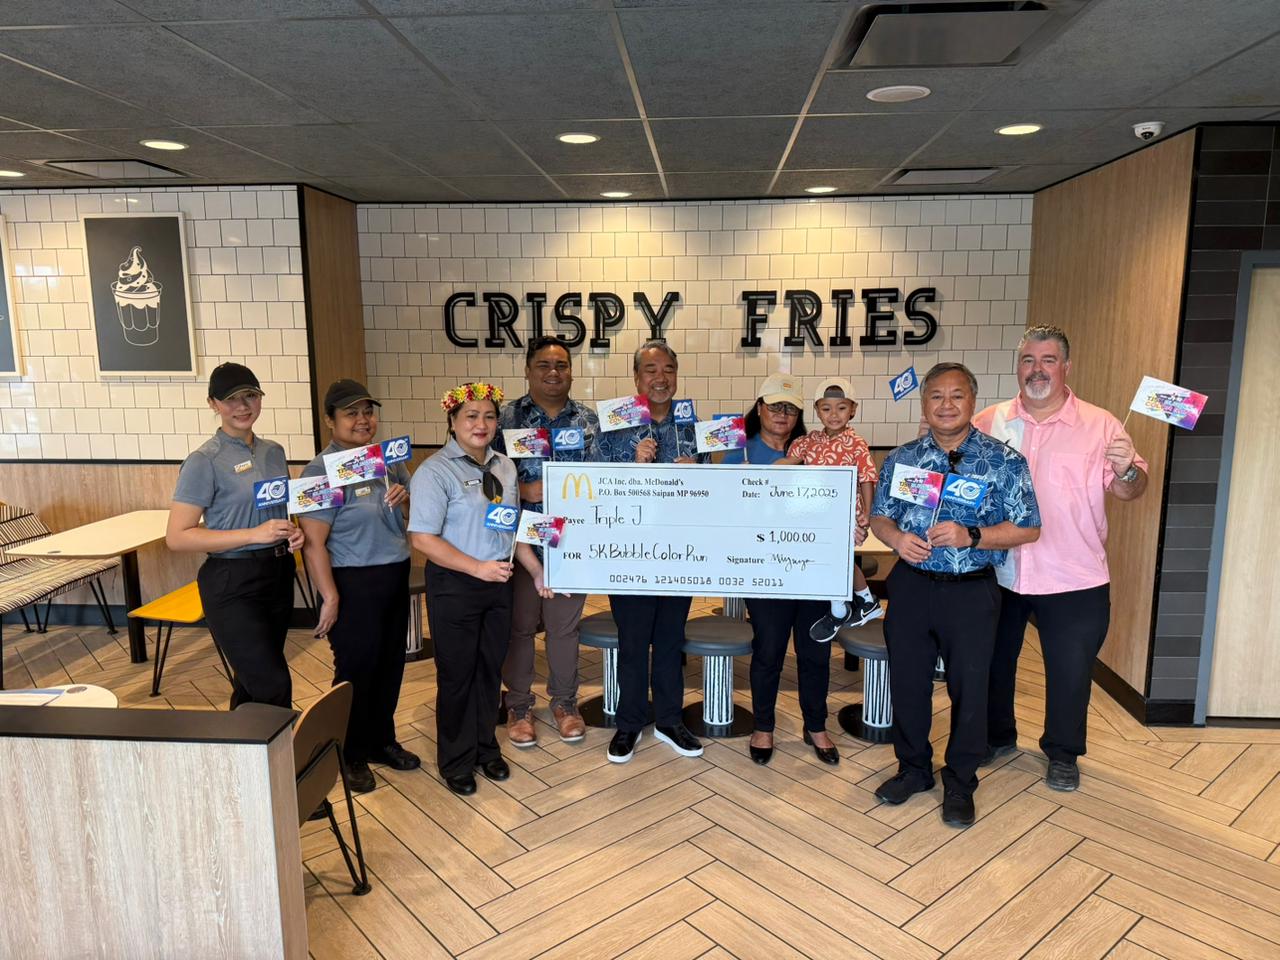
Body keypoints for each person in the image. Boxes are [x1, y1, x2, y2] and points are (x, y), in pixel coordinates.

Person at [974, 325, 1148, 792]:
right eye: (1029, 360)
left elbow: (1131, 491)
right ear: (1018, 367)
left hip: (1074, 575)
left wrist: (1127, 469)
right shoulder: (988, 422)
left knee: (1071, 672)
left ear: (1066, 367)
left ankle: (1063, 752)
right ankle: (996, 736)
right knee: (992, 661)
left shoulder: (1103, 425)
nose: (1037, 370)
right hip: (1000, 571)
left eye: (1048, 360)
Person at [870, 362, 1040, 827]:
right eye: (937, 396)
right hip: (911, 586)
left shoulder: (1004, 462)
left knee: (971, 688)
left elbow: (1029, 527)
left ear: (972, 401)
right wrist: (895, 539)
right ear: (924, 403)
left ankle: (961, 780)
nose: (946, 405)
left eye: (957, 395)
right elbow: (880, 516)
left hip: (971, 592)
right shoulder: (903, 459)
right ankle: (913, 769)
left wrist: (973, 536)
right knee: (908, 683)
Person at [408, 382, 554, 796]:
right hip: (456, 583)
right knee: (457, 674)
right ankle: (456, 759)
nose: (481, 424)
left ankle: (486, 747)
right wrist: (476, 568)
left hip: (498, 581)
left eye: (489, 416)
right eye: (471, 416)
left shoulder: (505, 467)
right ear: (452, 421)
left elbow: (513, 530)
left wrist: (535, 570)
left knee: (490, 670)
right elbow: (422, 538)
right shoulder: (435, 472)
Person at [299, 379, 416, 795]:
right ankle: (347, 751)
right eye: (351, 413)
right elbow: (312, 543)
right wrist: (330, 596)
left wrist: (404, 498)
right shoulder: (318, 472)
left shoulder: (387, 460)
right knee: (355, 668)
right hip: (352, 580)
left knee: (389, 663)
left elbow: (408, 516)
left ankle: (381, 739)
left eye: (368, 411)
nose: (363, 419)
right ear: (330, 420)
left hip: (394, 572)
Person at [167, 362, 302, 709]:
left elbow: (278, 511)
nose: (243, 406)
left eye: (250, 396)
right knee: (272, 683)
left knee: (251, 681)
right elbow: (178, 537)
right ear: (213, 404)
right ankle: (281, 745)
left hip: (278, 573)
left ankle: (242, 741)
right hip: (232, 581)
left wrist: (293, 532)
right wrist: (253, 535)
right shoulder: (204, 460)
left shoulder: (274, 452)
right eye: (231, 399)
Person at [596, 340, 706, 764]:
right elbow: (594, 486)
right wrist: (632, 465)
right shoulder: (615, 426)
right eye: (650, 370)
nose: (660, 378)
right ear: (636, 377)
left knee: (670, 639)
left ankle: (669, 720)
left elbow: (719, 490)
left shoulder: (693, 428)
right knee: (633, 640)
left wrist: (701, 472)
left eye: (668, 370)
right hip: (629, 552)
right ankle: (629, 722)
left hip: (681, 552)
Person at [721, 374, 840, 766]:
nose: (782, 414)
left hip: (813, 568)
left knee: (815, 650)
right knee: (769, 649)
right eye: (775, 406)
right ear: (760, 408)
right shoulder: (739, 452)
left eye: (790, 408)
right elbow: (722, 511)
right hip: (764, 570)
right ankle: (764, 725)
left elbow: (838, 496)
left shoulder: (815, 449)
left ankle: (816, 725)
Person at [492, 336, 600, 748]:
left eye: (561, 365)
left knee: (563, 629)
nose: (554, 372)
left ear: (570, 371)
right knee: (519, 628)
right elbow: (486, 478)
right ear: (527, 370)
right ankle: (519, 705)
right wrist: (523, 490)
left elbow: (601, 478)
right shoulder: (505, 418)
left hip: (570, 543)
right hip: (516, 544)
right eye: (544, 365)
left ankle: (565, 703)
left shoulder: (588, 420)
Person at [779, 377, 883, 639]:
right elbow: (789, 461)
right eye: (826, 408)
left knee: (838, 558)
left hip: (845, 514)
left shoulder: (856, 443)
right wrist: (760, 470)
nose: (834, 414)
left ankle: (854, 605)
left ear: (853, 410)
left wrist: (866, 514)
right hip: (816, 515)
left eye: (841, 408)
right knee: (827, 559)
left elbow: (867, 478)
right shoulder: (809, 441)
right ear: (817, 410)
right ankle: (853, 604)